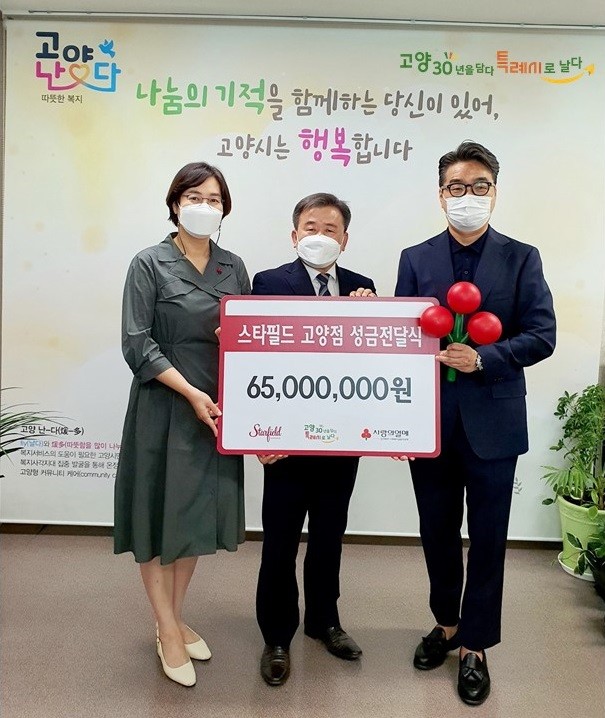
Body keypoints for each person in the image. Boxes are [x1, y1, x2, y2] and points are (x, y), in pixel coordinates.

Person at [394, 141, 556, 706]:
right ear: (441, 196)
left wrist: (484, 358)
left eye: (479, 186)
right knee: (436, 531)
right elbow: (402, 339)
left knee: (488, 537)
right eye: (457, 187)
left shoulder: (522, 257)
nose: (468, 196)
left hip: (494, 421)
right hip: (430, 423)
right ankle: (447, 624)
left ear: (494, 192)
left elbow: (542, 335)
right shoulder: (415, 258)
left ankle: (476, 645)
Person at [113, 162, 251, 687]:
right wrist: (191, 393)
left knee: (192, 518)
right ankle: (167, 629)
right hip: (165, 403)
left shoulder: (233, 266)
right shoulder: (149, 262)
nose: (204, 207)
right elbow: (136, 342)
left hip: (214, 408)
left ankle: (172, 615)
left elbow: (249, 336)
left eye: (214, 199)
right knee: (156, 515)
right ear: (175, 204)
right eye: (195, 197)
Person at [252, 192, 376, 687]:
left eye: (330, 229)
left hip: (340, 439)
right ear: (294, 235)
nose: (320, 236)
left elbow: (373, 361)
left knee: (329, 536)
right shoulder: (268, 283)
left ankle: (325, 621)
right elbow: (253, 362)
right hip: (285, 441)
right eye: (311, 227)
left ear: (345, 239)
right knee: (279, 540)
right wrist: (257, 433)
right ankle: (277, 635)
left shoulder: (363, 287)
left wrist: (369, 315)